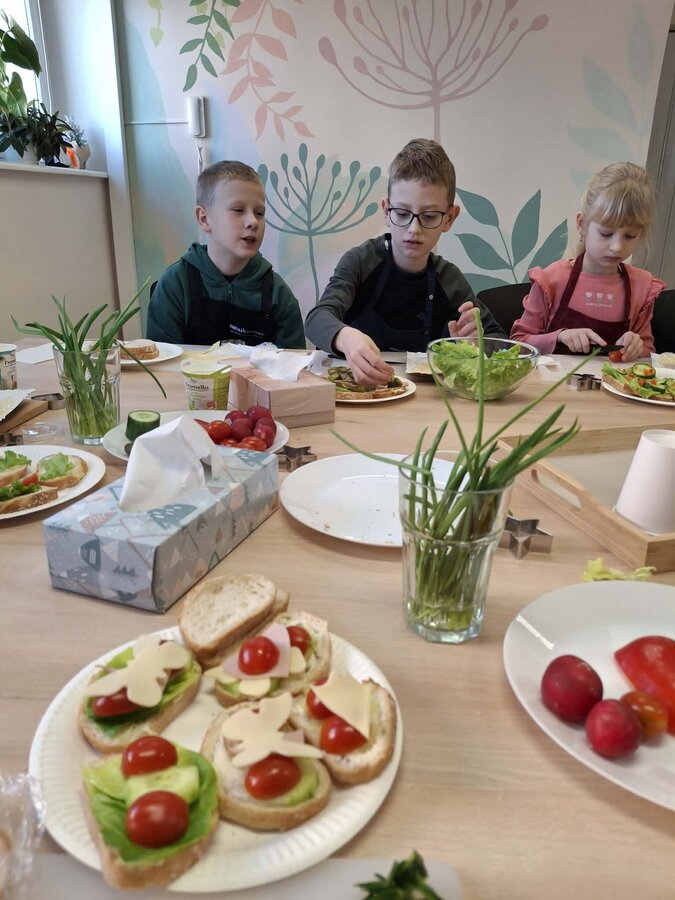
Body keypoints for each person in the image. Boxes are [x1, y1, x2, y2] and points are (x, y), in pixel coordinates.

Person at [304, 138, 504, 385]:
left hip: (425, 395)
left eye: (429, 216)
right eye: (401, 213)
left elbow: (499, 340)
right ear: (386, 211)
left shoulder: (450, 280)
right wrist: (345, 337)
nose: (414, 229)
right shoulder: (360, 261)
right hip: (357, 388)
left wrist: (476, 345)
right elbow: (317, 318)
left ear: (450, 218)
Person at [511, 162, 666, 360]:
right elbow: (518, 344)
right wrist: (559, 337)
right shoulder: (552, 279)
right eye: (606, 233)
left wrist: (637, 346)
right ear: (582, 224)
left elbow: (649, 353)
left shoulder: (641, 287)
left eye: (630, 236)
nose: (617, 247)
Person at [146, 160, 305, 348]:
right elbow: (162, 361)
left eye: (259, 213)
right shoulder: (174, 285)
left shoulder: (279, 294)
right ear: (204, 219)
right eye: (238, 210)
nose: (253, 221)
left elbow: (293, 361)